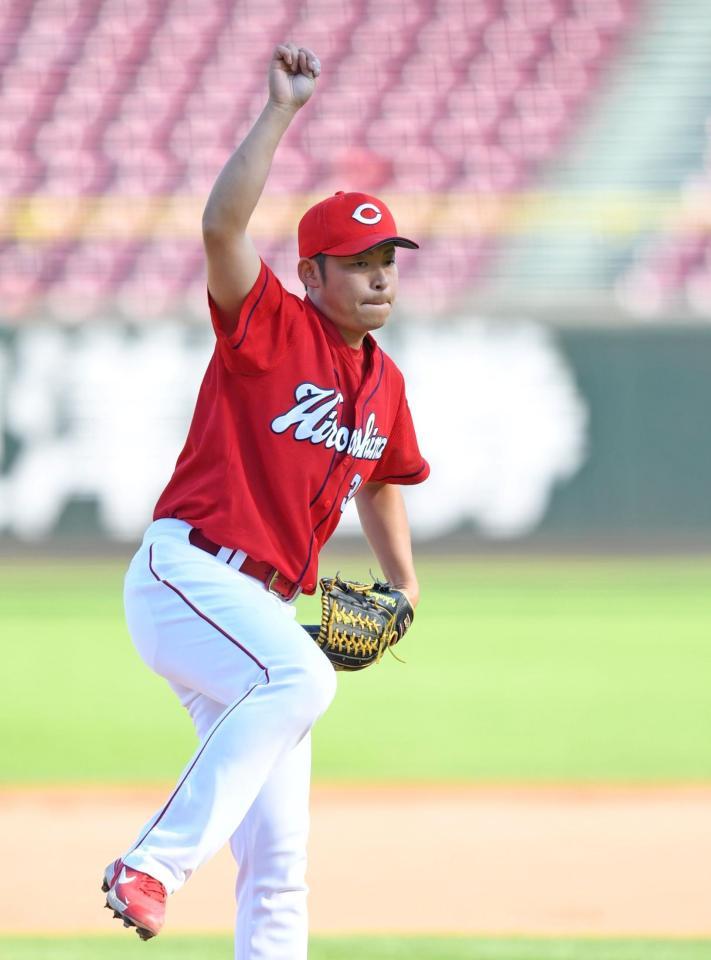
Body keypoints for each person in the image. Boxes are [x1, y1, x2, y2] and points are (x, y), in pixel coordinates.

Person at [101, 42, 429, 959]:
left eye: (387, 260)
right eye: (356, 260)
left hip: (256, 607)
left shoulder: (385, 382)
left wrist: (405, 587)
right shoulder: (268, 325)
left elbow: (385, 480)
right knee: (304, 678)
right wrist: (282, 111)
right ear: (311, 275)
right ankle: (152, 867)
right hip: (187, 576)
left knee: (281, 856)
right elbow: (219, 228)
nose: (377, 276)